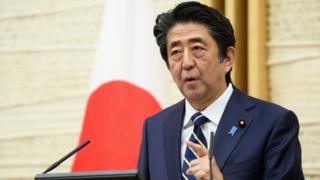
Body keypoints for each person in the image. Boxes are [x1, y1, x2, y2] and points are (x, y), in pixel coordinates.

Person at [137, 1, 304, 180]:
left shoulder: (273, 123)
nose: (186, 63)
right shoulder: (155, 127)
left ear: (227, 59)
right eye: (176, 52)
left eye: (197, 49)